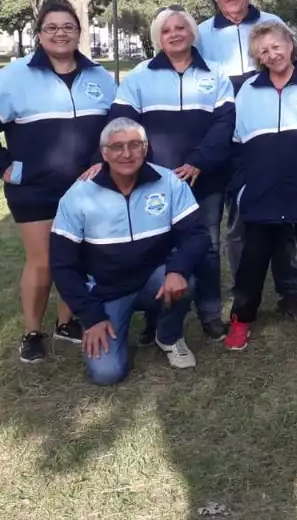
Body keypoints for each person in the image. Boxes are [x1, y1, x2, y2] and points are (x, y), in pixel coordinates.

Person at [0, 0, 116, 364]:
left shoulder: (99, 77)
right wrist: (5, 168)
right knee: (45, 260)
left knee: (77, 257)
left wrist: (103, 164)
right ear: (39, 34)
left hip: (87, 187)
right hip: (34, 188)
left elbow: (116, 128)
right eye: (52, 27)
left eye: (68, 27)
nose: (60, 33)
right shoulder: (14, 76)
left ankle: (66, 324)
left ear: (79, 33)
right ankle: (32, 331)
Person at [196, 0, 297, 319]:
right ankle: (242, 291)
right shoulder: (203, 33)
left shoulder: (273, 21)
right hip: (232, 138)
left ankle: (289, 290)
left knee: (282, 218)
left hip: (274, 133)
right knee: (239, 220)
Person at [105, 5, 234, 342]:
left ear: (192, 33)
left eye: (181, 28)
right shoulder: (139, 75)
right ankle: (156, 317)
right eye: (166, 30)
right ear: (157, 38)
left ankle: (209, 314)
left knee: (207, 246)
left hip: (204, 177)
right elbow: (121, 125)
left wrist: (197, 162)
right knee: (157, 249)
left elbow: (224, 125)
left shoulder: (216, 74)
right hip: (153, 181)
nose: (174, 34)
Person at [49, 118, 204, 385]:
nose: (127, 153)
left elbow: (197, 233)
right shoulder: (78, 195)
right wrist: (91, 317)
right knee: (106, 374)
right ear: (104, 152)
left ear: (145, 148)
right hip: (106, 291)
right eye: (117, 146)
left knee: (186, 280)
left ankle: (167, 336)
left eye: (135, 145)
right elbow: (62, 264)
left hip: (153, 280)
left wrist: (177, 270)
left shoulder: (168, 182)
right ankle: (112, 325)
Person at [224, 21, 297, 350]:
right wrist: (243, 187)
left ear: (290, 46)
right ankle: (241, 318)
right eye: (263, 51)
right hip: (261, 190)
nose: (272, 54)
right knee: (254, 258)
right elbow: (236, 146)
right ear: (257, 58)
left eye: (277, 46)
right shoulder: (247, 91)